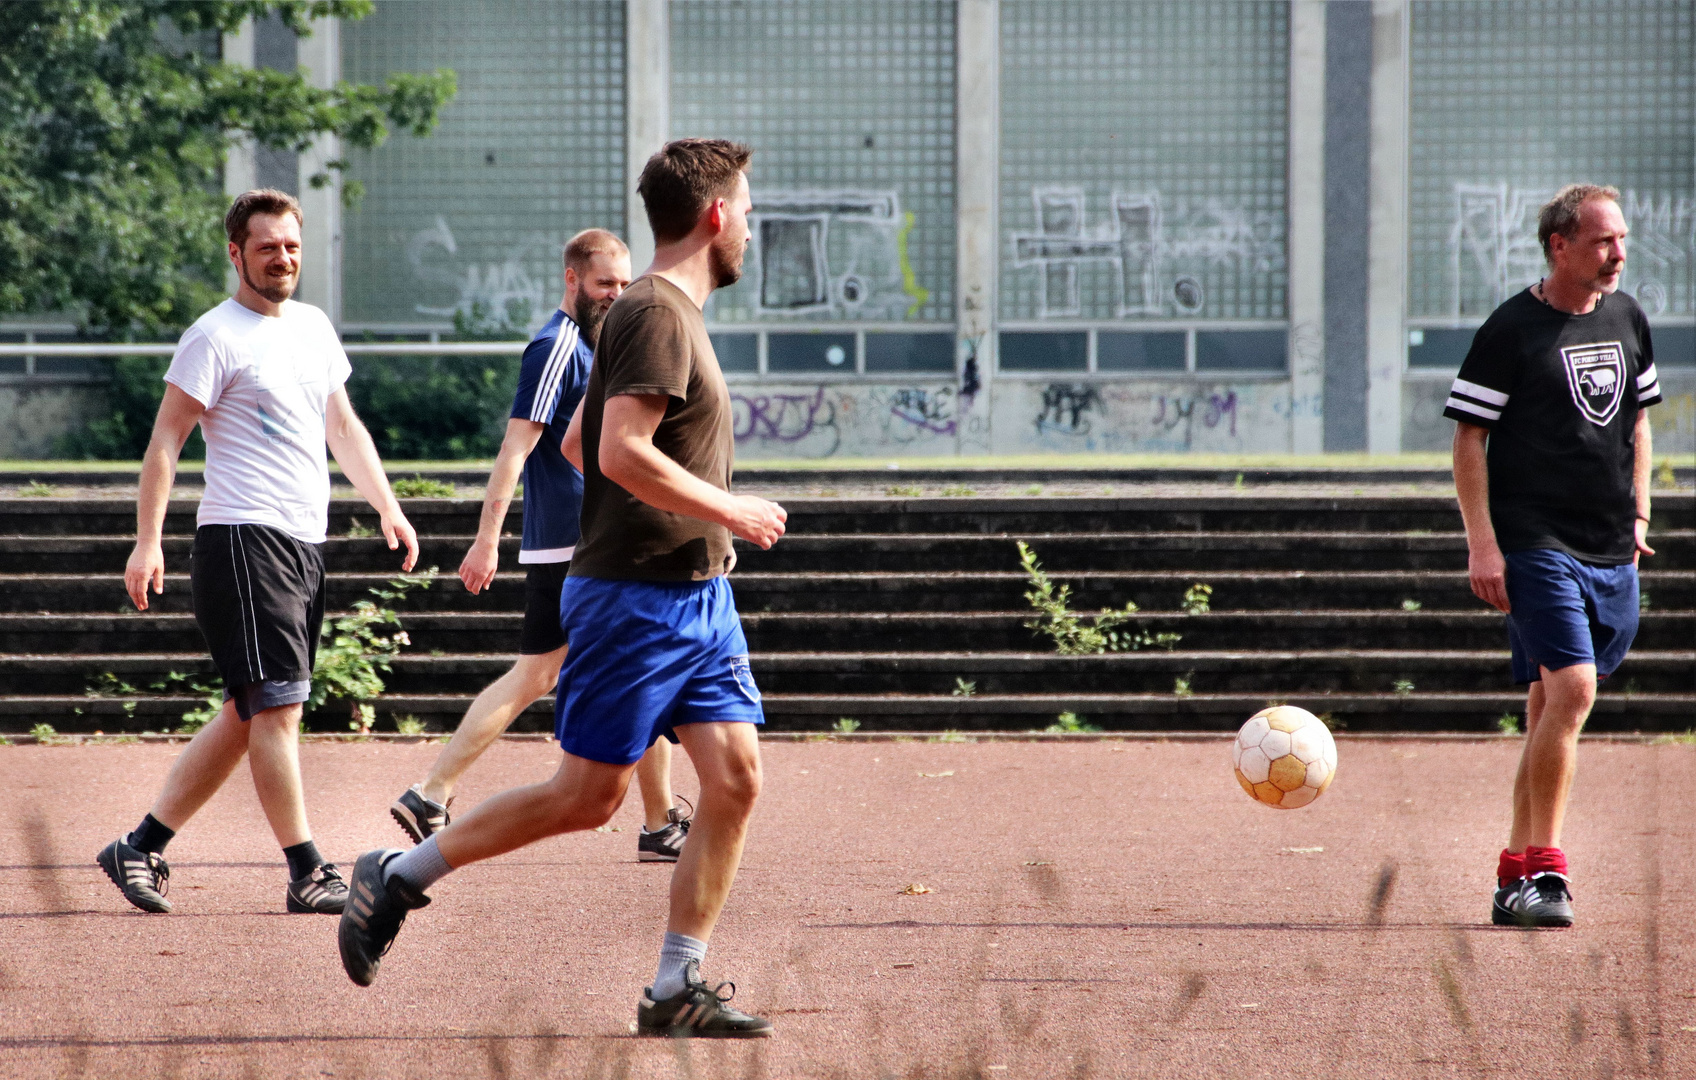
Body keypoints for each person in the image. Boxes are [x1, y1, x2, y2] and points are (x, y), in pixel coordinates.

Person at [338, 138, 785, 1038]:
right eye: (747, 209)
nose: (750, 226)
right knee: (589, 797)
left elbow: (581, 445)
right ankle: (398, 875)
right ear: (716, 216)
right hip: (635, 599)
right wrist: (728, 509)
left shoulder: (653, 313)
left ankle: (673, 987)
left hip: (695, 597)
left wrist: (694, 525)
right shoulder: (657, 313)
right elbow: (617, 452)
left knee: (734, 780)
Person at [99, 188, 420, 916]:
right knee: (277, 710)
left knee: (252, 712)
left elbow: (344, 428)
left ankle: (140, 845)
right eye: (268, 246)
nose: (283, 258)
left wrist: (387, 505)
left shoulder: (311, 327)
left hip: (304, 543)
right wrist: (147, 540)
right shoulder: (214, 335)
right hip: (243, 539)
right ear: (236, 252)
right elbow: (166, 441)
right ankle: (308, 869)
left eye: (293, 246)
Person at [388, 229, 693, 863]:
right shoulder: (554, 349)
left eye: (622, 283)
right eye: (604, 283)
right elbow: (515, 450)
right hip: (570, 548)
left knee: (635, 669)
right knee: (541, 675)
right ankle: (432, 791)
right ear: (572, 280)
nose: (615, 294)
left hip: (597, 545)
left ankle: (660, 821)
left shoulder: (596, 345)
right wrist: (485, 540)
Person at [1446, 183, 1662, 929]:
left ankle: (1511, 876)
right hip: (1535, 540)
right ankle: (1548, 872)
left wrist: (1639, 509)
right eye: (1604, 242)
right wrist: (1483, 542)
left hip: (1609, 542)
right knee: (1572, 692)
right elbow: (1469, 437)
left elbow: (1635, 422)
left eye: (1622, 240)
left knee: (1546, 703)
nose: (1618, 254)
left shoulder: (1629, 317)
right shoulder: (1511, 329)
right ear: (1559, 246)